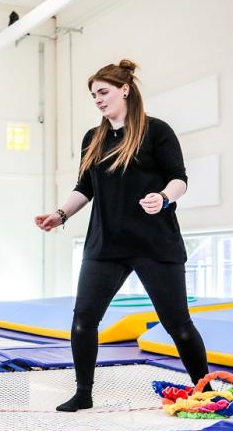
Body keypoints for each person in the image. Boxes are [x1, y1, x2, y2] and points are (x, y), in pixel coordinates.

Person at [34, 59, 211, 412]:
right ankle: (83, 393)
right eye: (93, 95)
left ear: (125, 90)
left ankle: (203, 388)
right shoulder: (94, 138)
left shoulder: (156, 131)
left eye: (103, 92)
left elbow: (179, 178)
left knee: (178, 323)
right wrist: (59, 214)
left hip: (154, 243)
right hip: (106, 244)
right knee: (84, 319)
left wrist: (163, 198)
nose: (98, 100)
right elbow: (85, 186)